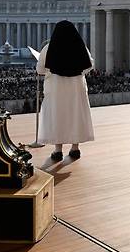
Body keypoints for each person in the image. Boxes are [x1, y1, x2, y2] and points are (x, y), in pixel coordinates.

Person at [36, 20, 95, 161]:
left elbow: (40, 69)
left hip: (55, 89)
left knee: (57, 116)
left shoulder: (48, 48)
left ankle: (58, 150)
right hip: (76, 88)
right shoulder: (81, 47)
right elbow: (89, 66)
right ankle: (75, 148)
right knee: (75, 115)